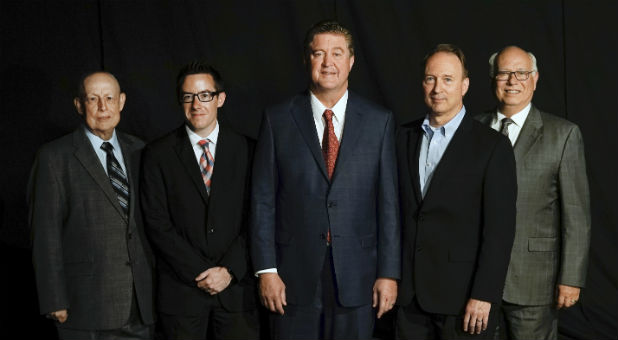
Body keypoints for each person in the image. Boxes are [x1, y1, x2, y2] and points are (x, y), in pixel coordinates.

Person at [250, 20, 400, 339]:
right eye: (319, 53)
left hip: (358, 276)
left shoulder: (379, 121)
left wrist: (389, 273)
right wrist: (267, 270)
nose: (328, 63)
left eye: (337, 53)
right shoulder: (277, 119)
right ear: (307, 60)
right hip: (291, 276)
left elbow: (388, 204)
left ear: (351, 61)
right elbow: (262, 202)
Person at [395, 44, 517, 339]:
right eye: (430, 79)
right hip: (408, 298)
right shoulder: (401, 137)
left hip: (463, 301)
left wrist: (484, 294)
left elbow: (500, 231)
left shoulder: (492, 147)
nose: (438, 88)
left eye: (448, 79)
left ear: (464, 85)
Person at [475, 46, 591, 340]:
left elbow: (576, 216)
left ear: (535, 78)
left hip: (533, 280)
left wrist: (571, 279)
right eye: (503, 73)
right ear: (492, 79)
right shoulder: (471, 129)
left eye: (522, 73)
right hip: (475, 280)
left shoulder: (563, 135)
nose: (512, 80)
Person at [28, 72, 155, 339]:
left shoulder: (140, 151)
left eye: (109, 98)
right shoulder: (54, 157)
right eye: (93, 99)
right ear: (78, 105)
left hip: (140, 305)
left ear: (121, 102)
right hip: (85, 307)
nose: (102, 107)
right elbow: (44, 233)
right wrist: (54, 299)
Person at [140, 61, 259, 339]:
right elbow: (157, 223)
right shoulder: (158, 154)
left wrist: (229, 270)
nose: (197, 104)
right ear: (180, 101)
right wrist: (201, 271)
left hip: (236, 293)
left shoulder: (249, 150)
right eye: (188, 96)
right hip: (182, 294)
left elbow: (256, 217)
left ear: (220, 99)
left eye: (205, 95)